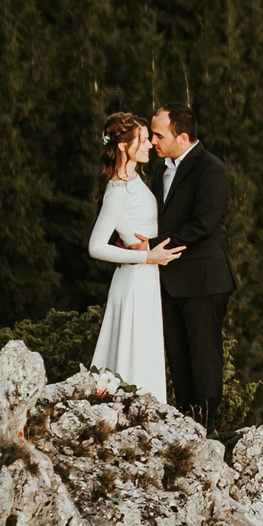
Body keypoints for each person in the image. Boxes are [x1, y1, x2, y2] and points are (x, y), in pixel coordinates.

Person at [149, 103, 237, 427]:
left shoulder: (211, 169)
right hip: (169, 279)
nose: (152, 141)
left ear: (182, 137)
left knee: (204, 357)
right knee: (178, 358)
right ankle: (185, 425)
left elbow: (203, 225)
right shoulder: (159, 171)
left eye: (158, 135)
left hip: (204, 279)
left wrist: (152, 246)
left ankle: (207, 427)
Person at [86, 112, 181, 399]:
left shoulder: (136, 178)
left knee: (144, 352)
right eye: (143, 139)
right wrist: (146, 257)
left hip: (145, 280)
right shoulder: (118, 191)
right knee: (133, 355)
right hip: (134, 282)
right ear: (123, 146)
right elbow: (95, 247)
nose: (150, 144)